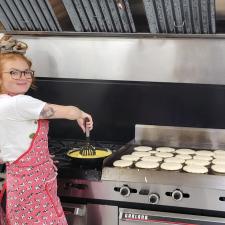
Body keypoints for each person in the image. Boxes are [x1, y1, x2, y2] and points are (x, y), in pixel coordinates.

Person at [0, 36, 93, 224]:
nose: (23, 77)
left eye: (27, 72)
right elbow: (66, 111)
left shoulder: (4, 102)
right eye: (14, 73)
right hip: (33, 189)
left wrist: (42, 160)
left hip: (22, 185)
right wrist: (81, 113)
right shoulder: (19, 102)